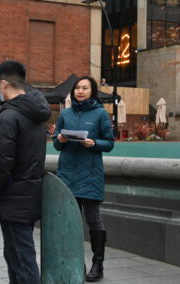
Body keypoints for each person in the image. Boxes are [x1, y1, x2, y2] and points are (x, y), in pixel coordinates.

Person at [0, 60, 51, 283]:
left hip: (12, 197)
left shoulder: (9, 117)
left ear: (3, 84)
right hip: (29, 194)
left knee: (21, 260)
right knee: (20, 256)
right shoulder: (35, 115)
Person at [53, 76, 114, 282]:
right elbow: (57, 145)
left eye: (85, 88)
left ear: (92, 91)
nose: (80, 91)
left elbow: (109, 143)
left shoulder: (100, 114)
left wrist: (93, 143)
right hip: (67, 174)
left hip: (90, 174)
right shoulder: (66, 114)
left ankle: (98, 265)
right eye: (77, 88)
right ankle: (78, 262)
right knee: (71, 220)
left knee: (93, 220)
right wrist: (60, 138)